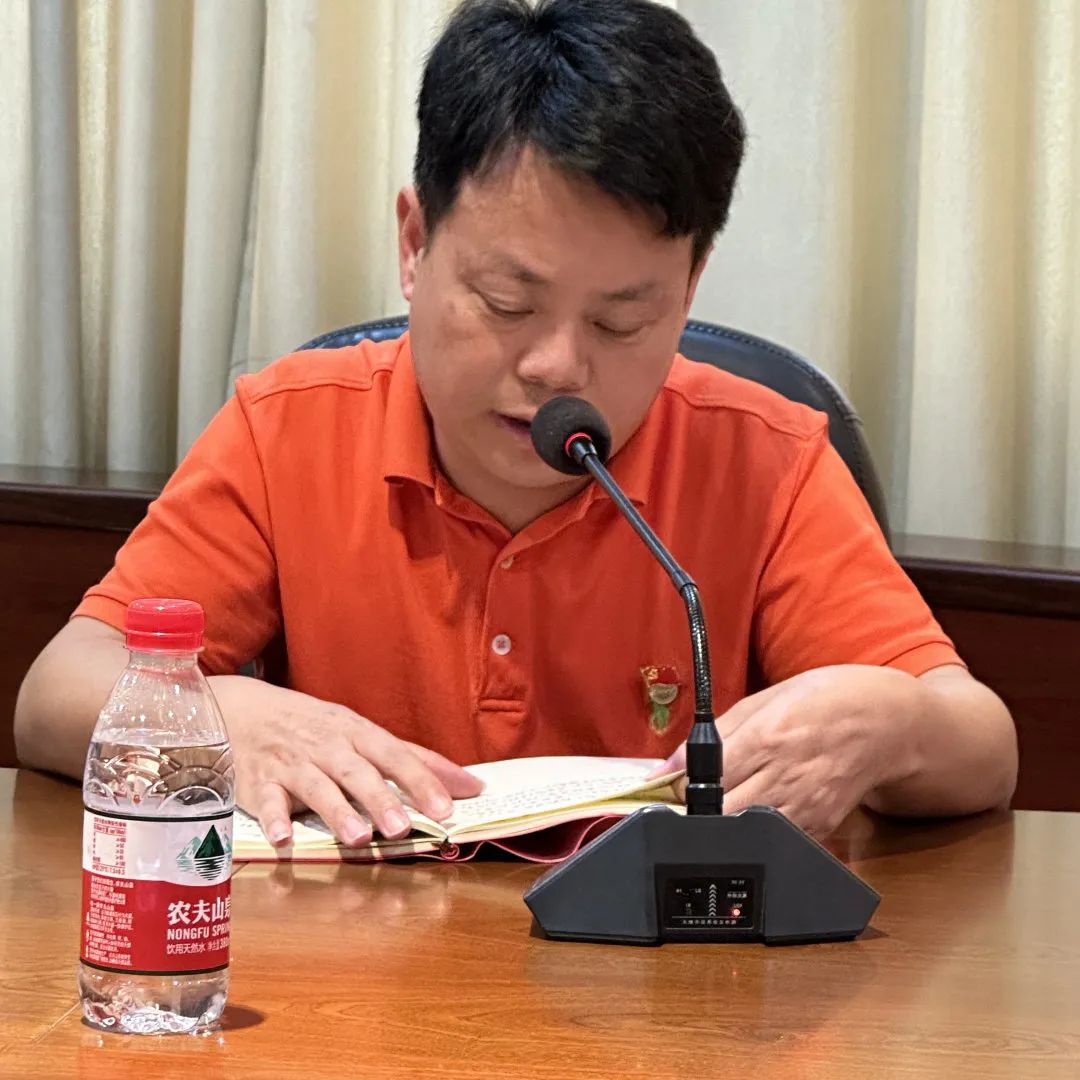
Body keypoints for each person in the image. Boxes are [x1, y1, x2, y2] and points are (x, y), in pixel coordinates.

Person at [15, 0, 1016, 848]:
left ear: (687, 288)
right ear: (415, 246)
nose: (556, 367)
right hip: (360, 979)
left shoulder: (765, 458)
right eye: (507, 302)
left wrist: (893, 726)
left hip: (664, 988)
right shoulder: (288, 431)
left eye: (621, 321)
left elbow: (982, 745)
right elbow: (58, 691)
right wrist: (215, 717)